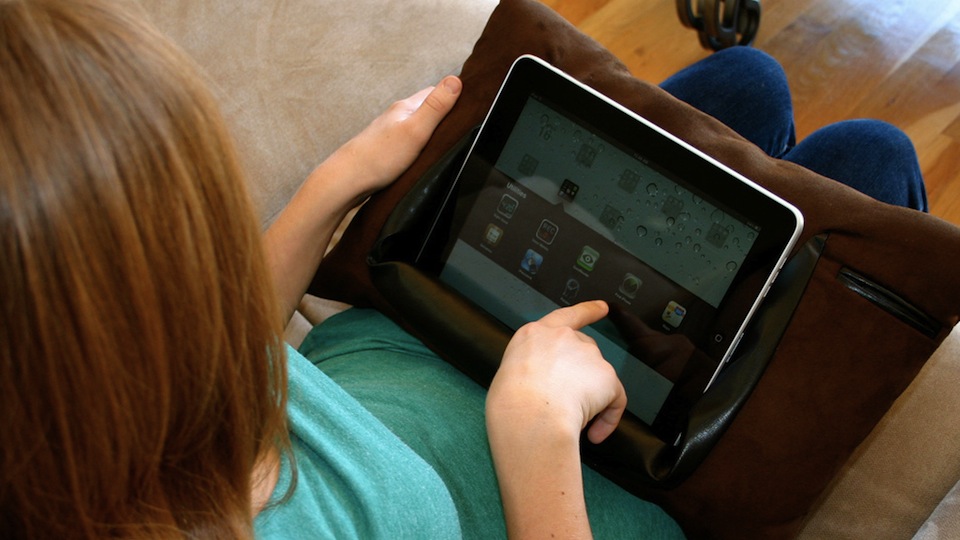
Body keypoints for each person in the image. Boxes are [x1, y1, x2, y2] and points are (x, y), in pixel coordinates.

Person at [0, 2, 926, 540]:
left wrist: (338, 182)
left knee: (745, 85)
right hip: (608, 453)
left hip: (426, 324)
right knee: (871, 156)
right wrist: (538, 433)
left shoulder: (96, 429)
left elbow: (228, 354)